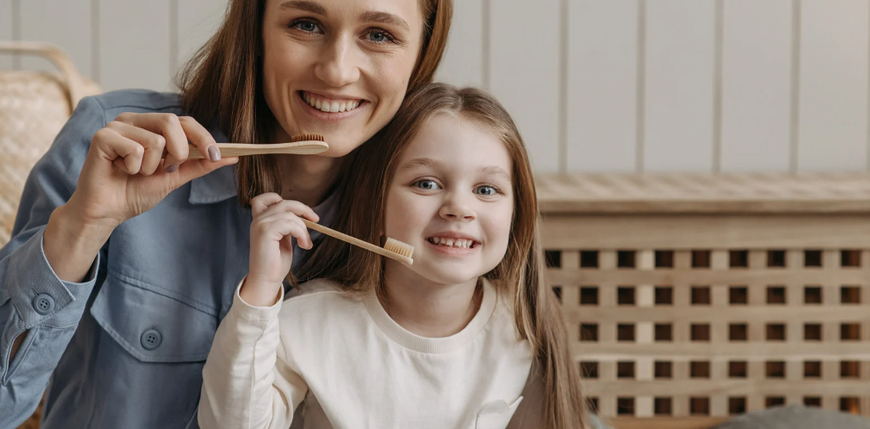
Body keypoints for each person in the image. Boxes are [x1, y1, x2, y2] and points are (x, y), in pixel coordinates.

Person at [0, 0, 452, 428]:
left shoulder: (440, 223)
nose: (336, 70)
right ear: (254, 29)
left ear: (421, 54)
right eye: (306, 24)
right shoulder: (109, 147)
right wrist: (82, 228)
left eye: (379, 34)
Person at [198, 83, 590, 429]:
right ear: (376, 198)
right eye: (426, 183)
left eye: (486, 190)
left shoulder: (524, 327)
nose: (459, 207)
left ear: (516, 213)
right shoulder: (308, 322)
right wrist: (262, 288)